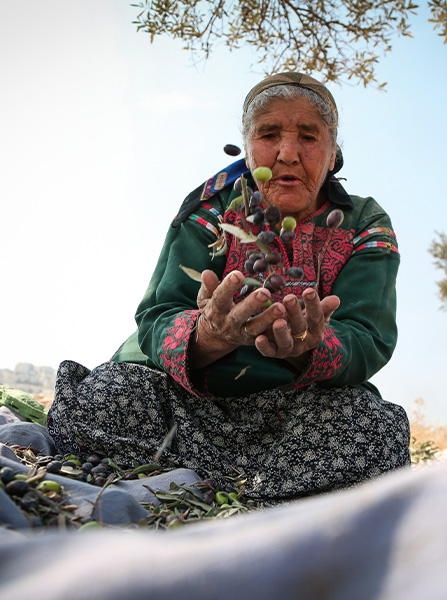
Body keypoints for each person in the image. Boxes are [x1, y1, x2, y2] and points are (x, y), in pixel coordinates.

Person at [47, 72, 410, 501]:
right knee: (106, 399)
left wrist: (309, 345)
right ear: (249, 144)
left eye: (309, 137)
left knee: (377, 432)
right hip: (183, 401)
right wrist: (209, 335)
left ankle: (210, 478)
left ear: (333, 155)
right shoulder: (209, 208)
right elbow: (159, 315)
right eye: (268, 134)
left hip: (296, 417)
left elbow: (368, 335)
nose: (287, 153)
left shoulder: (366, 224)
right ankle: (262, 490)